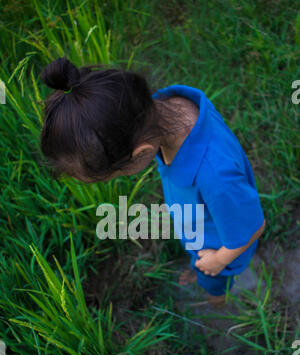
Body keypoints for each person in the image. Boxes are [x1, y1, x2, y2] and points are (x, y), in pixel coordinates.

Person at [40, 56, 266, 307]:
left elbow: (252, 227)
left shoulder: (216, 177)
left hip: (219, 247)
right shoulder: (167, 109)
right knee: (199, 261)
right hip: (200, 226)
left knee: (214, 280)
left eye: (119, 174)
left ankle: (216, 299)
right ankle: (198, 268)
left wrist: (219, 261)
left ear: (141, 152)